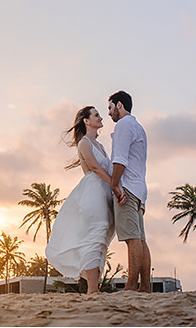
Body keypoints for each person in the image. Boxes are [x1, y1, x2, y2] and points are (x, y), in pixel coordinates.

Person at [45, 105, 117, 294]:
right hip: (93, 192)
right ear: (86, 120)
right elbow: (94, 167)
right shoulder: (84, 143)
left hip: (105, 192)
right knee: (95, 234)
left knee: (102, 238)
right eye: (96, 115)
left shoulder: (100, 146)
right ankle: (92, 289)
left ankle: (94, 288)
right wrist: (115, 185)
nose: (101, 117)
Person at [108, 90, 151, 292]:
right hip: (139, 188)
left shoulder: (124, 125)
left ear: (119, 105)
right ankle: (145, 286)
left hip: (127, 188)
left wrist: (114, 185)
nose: (109, 113)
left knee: (132, 239)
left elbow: (120, 159)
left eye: (110, 107)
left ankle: (131, 286)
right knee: (140, 239)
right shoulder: (138, 127)